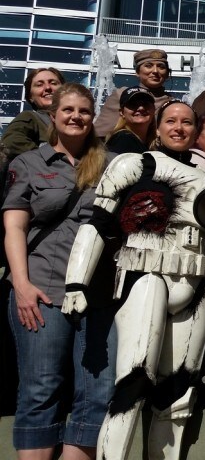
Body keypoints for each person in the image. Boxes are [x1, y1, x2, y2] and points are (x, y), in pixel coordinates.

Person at [61, 100, 205, 460]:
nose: (179, 127)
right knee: (132, 384)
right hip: (145, 276)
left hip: (197, 284)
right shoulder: (134, 164)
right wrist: (76, 283)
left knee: (179, 397)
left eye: (187, 122)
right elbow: (97, 224)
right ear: (157, 127)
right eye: (170, 120)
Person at [5, 83, 115, 460]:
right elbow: (15, 228)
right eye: (68, 110)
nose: (76, 117)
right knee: (41, 388)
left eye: (84, 111)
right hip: (42, 289)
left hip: (98, 295)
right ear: (53, 116)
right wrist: (21, 285)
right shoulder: (28, 164)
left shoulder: (112, 164)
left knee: (98, 391)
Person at [95, 49, 175, 138]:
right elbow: (99, 135)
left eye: (161, 67)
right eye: (148, 66)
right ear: (137, 72)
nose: (155, 71)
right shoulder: (122, 94)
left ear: (167, 73)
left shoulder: (174, 104)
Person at [2, 67, 65, 157]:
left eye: (53, 83)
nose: (47, 87)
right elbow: (10, 142)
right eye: (39, 85)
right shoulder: (30, 117)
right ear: (31, 97)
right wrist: (50, 157)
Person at [105, 86, 156, 155]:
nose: (141, 108)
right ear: (122, 112)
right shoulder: (123, 139)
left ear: (154, 110)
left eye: (146, 104)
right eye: (133, 104)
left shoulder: (154, 143)